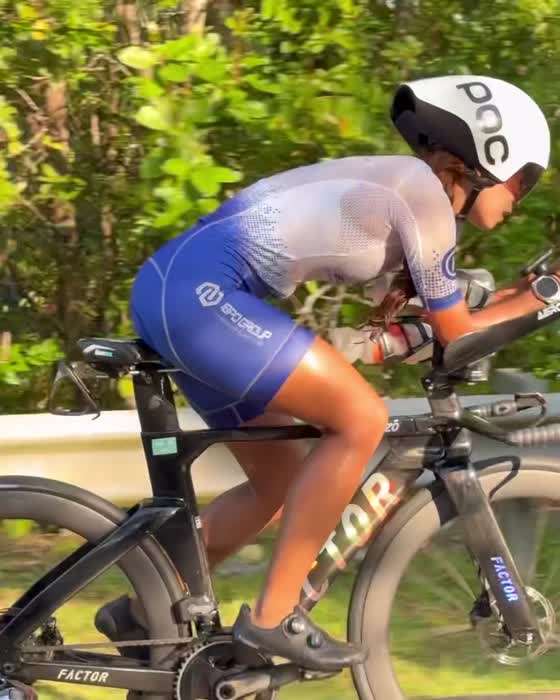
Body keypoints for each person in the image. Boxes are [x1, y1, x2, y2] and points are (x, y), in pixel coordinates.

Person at [99, 75, 552, 671]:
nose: (522, 195)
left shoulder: (408, 188)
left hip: (178, 290)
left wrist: (521, 294)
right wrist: (545, 297)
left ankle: (141, 612)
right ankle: (272, 619)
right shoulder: (423, 197)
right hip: (201, 296)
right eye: (525, 179)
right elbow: (459, 334)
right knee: (362, 418)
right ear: (489, 156)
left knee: (280, 480)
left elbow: (438, 316)